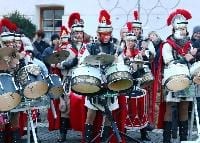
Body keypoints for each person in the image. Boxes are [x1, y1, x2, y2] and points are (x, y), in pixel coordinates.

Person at [79, 9, 127, 143]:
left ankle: (104, 139)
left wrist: (118, 62)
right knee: (91, 114)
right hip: (95, 83)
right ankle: (88, 140)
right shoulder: (90, 47)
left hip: (111, 83)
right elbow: (83, 63)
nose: (106, 36)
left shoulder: (116, 48)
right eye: (104, 34)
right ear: (99, 34)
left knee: (109, 115)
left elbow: (120, 66)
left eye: (108, 34)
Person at [162, 9, 195, 142]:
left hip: (187, 78)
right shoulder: (167, 45)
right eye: (180, 28)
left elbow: (191, 61)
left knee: (184, 106)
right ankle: (166, 139)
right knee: (170, 107)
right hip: (173, 78)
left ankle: (183, 139)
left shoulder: (189, 44)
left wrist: (192, 58)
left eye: (184, 28)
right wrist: (185, 59)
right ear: (174, 29)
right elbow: (168, 61)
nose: (183, 31)